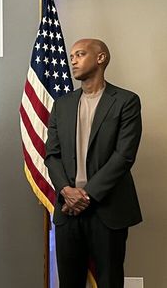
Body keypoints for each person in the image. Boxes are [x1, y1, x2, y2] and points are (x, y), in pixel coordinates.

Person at [45, 39, 142, 288]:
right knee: (69, 282)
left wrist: (85, 196)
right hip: (68, 210)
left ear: (100, 58)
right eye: (71, 55)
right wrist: (67, 192)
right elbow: (52, 155)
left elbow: (124, 156)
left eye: (80, 54)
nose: (73, 60)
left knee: (109, 280)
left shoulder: (126, 101)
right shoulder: (62, 105)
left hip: (108, 209)